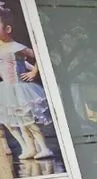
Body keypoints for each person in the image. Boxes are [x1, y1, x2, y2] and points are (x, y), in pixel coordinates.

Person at [0, 5, 52, 160]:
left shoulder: (16, 47)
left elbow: (39, 56)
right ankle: (29, 147)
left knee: (28, 121)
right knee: (16, 122)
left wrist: (34, 71)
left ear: (8, 29)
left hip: (20, 89)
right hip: (7, 89)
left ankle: (44, 148)